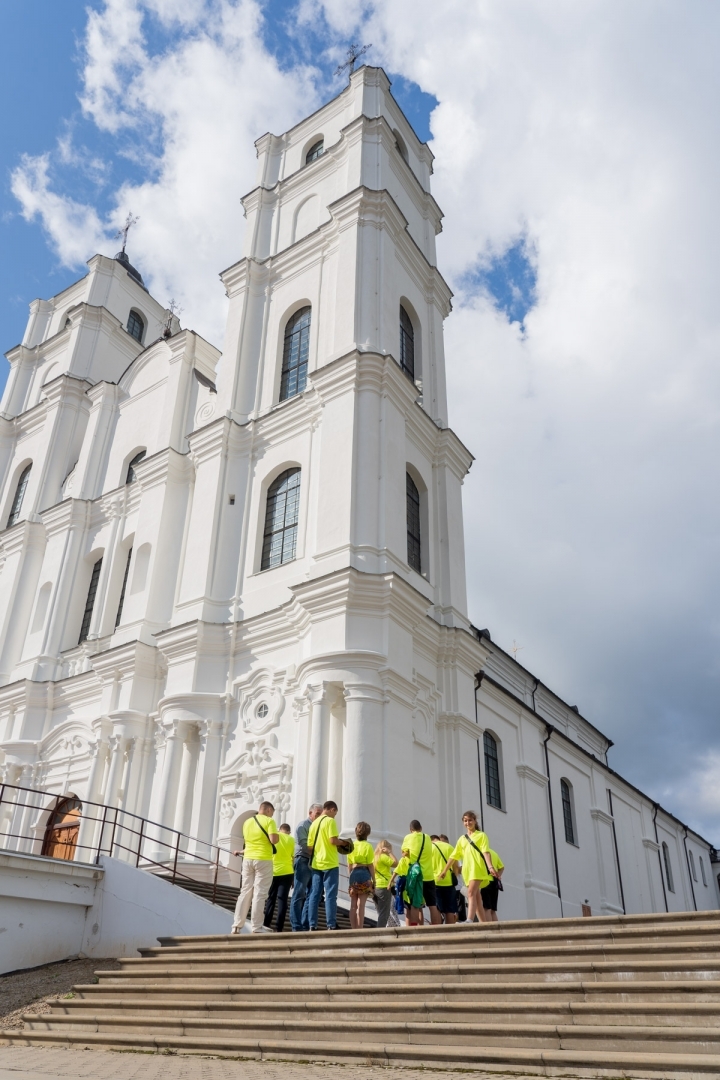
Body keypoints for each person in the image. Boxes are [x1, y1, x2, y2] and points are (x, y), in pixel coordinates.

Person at [231, 800, 279, 934]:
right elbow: (273, 840)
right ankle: (256, 927)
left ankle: (236, 925)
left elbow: (248, 842)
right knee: (260, 893)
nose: (271, 816)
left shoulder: (247, 822)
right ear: (269, 810)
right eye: (272, 813)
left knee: (245, 891)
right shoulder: (269, 821)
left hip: (247, 859)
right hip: (263, 859)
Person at [441, 810, 497, 923]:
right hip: (467, 870)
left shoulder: (481, 836)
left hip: (478, 869)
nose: (468, 823)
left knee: (470, 893)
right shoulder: (462, 839)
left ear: (475, 821)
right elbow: (454, 856)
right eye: (465, 821)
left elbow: (486, 852)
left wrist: (490, 867)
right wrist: (445, 870)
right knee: (476, 897)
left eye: (470, 820)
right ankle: (484, 923)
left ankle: (469, 919)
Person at [306, 800, 342, 930]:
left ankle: (312, 924)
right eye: (335, 813)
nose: (335, 816)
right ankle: (331, 924)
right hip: (330, 863)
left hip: (316, 863)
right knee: (331, 895)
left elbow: (309, 847)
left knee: (314, 895)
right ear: (332, 809)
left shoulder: (313, 824)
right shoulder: (330, 821)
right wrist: (343, 843)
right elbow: (333, 840)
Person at [401, 819, 441, 926]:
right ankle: (436, 928)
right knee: (432, 905)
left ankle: (414, 929)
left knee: (415, 904)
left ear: (411, 830)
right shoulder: (427, 837)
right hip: (429, 875)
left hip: (416, 876)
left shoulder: (408, 837)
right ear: (421, 828)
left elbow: (404, 853)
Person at [290, 802, 322, 932]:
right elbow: (304, 845)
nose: (319, 817)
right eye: (317, 814)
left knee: (312, 895)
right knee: (299, 894)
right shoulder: (303, 825)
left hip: (314, 862)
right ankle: (296, 926)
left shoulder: (318, 827)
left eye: (321, 814)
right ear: (310, 813)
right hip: (303, 861)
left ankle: (305, 923)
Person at [263, 823, 295, 932]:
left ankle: (266, 924)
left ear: (279, 830)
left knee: (271, 898)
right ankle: (279, 927)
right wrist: (293, 877)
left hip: (273, 871)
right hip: (287, 872)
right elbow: (293, 858)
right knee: (283, 900)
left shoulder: (274, 836)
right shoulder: (291, 840)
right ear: (289, 832)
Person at [347, 822, 375, 929]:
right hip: (364, 873)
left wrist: (350, 877)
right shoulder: (368, 846)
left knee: (353, 904)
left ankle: (353, 928)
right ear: (367, 833)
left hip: (354, 873)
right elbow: (370, 865)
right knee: (361, 904)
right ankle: (360, 928)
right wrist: (374, 880)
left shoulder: (351, 845)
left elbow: (349, 865)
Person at [431, 833, 457, 924]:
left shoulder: (430, 848)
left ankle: (437, 933)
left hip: (435, 881)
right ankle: (450, 933)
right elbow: (455, 868)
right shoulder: (450, 847)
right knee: (449, 910)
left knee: (437, 908)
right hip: (449, 882)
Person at [373, 839, 397, 928]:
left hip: (375, 886)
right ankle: (379, 933)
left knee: (380, 912)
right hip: (384, 886)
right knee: (384, 913)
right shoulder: (383, 857)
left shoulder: (374, 857)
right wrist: (390, 853)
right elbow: (396, 863)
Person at [480, 848, 505, 923]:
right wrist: (498, 876)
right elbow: (502, 867)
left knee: (487, 908)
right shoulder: (494, 853)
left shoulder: (481, 852)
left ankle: (490, 929)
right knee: (493, 910)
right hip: (495, 882)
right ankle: (497, 930)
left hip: (485, 881)